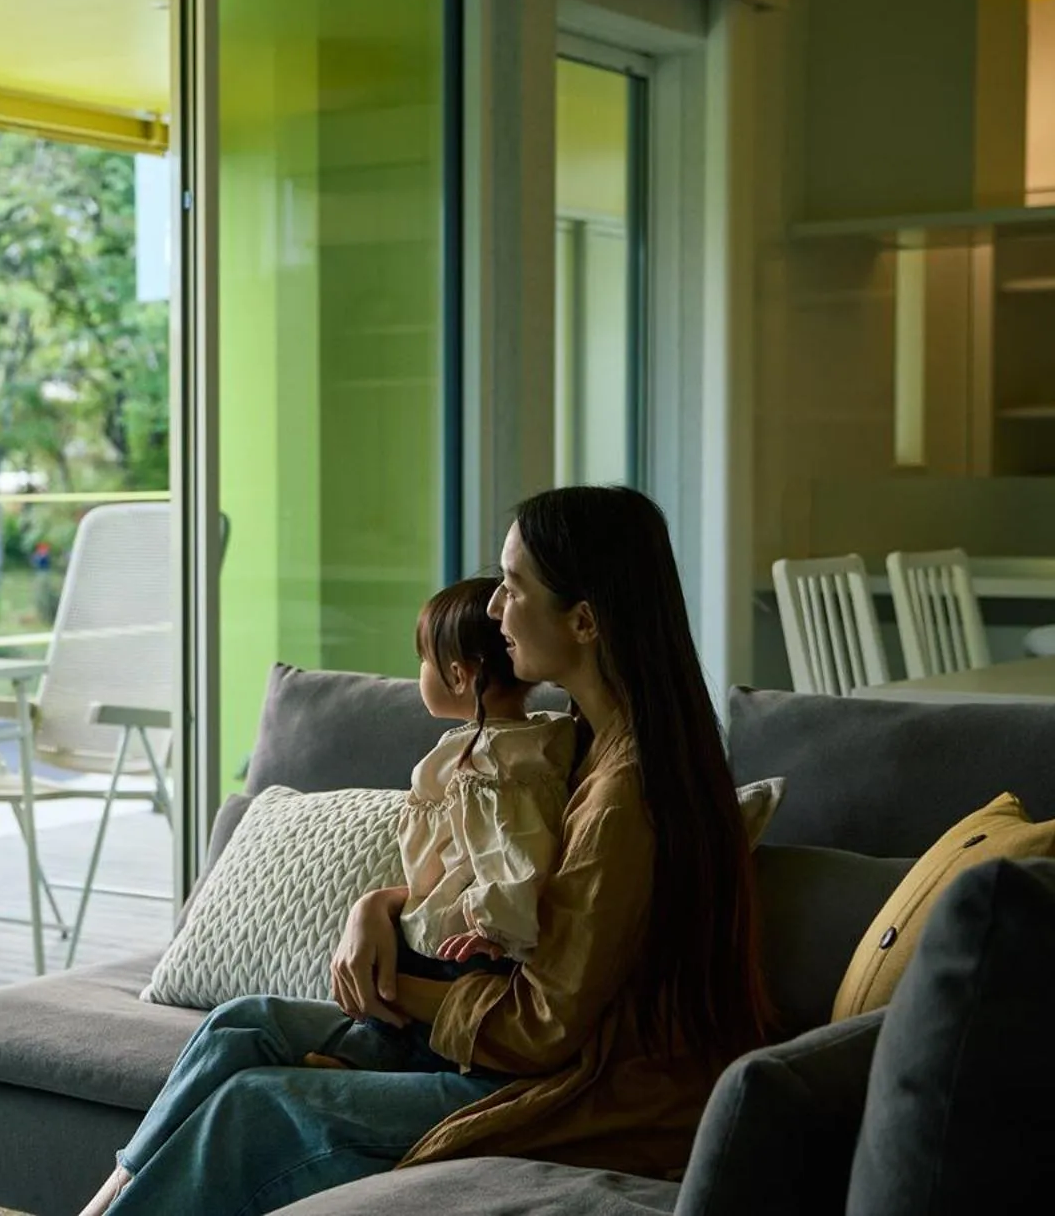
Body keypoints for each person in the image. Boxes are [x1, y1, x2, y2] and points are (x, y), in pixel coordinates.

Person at [82, 486, 771, 1216]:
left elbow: (542, 1029)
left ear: (585, 619)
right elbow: (504, 890)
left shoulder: (628, 796)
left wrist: (390, 987)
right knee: (242, 1024)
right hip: (505, 1043)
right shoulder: (575, 741)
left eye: (513, 586)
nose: (496, 610)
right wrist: (378, 905)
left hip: (569, 1089)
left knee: (255, 1104)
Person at [312, 573, 573, 1074]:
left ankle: (380, 1058)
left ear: (459, 676)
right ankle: (372, 1051)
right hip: (466, 928)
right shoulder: (529, 744)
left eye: (423, 662)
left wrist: (496, 925)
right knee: (403, 953)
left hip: (471, 939)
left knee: (413, 968)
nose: (420, 674)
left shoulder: (493, 763)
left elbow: (515, 850)